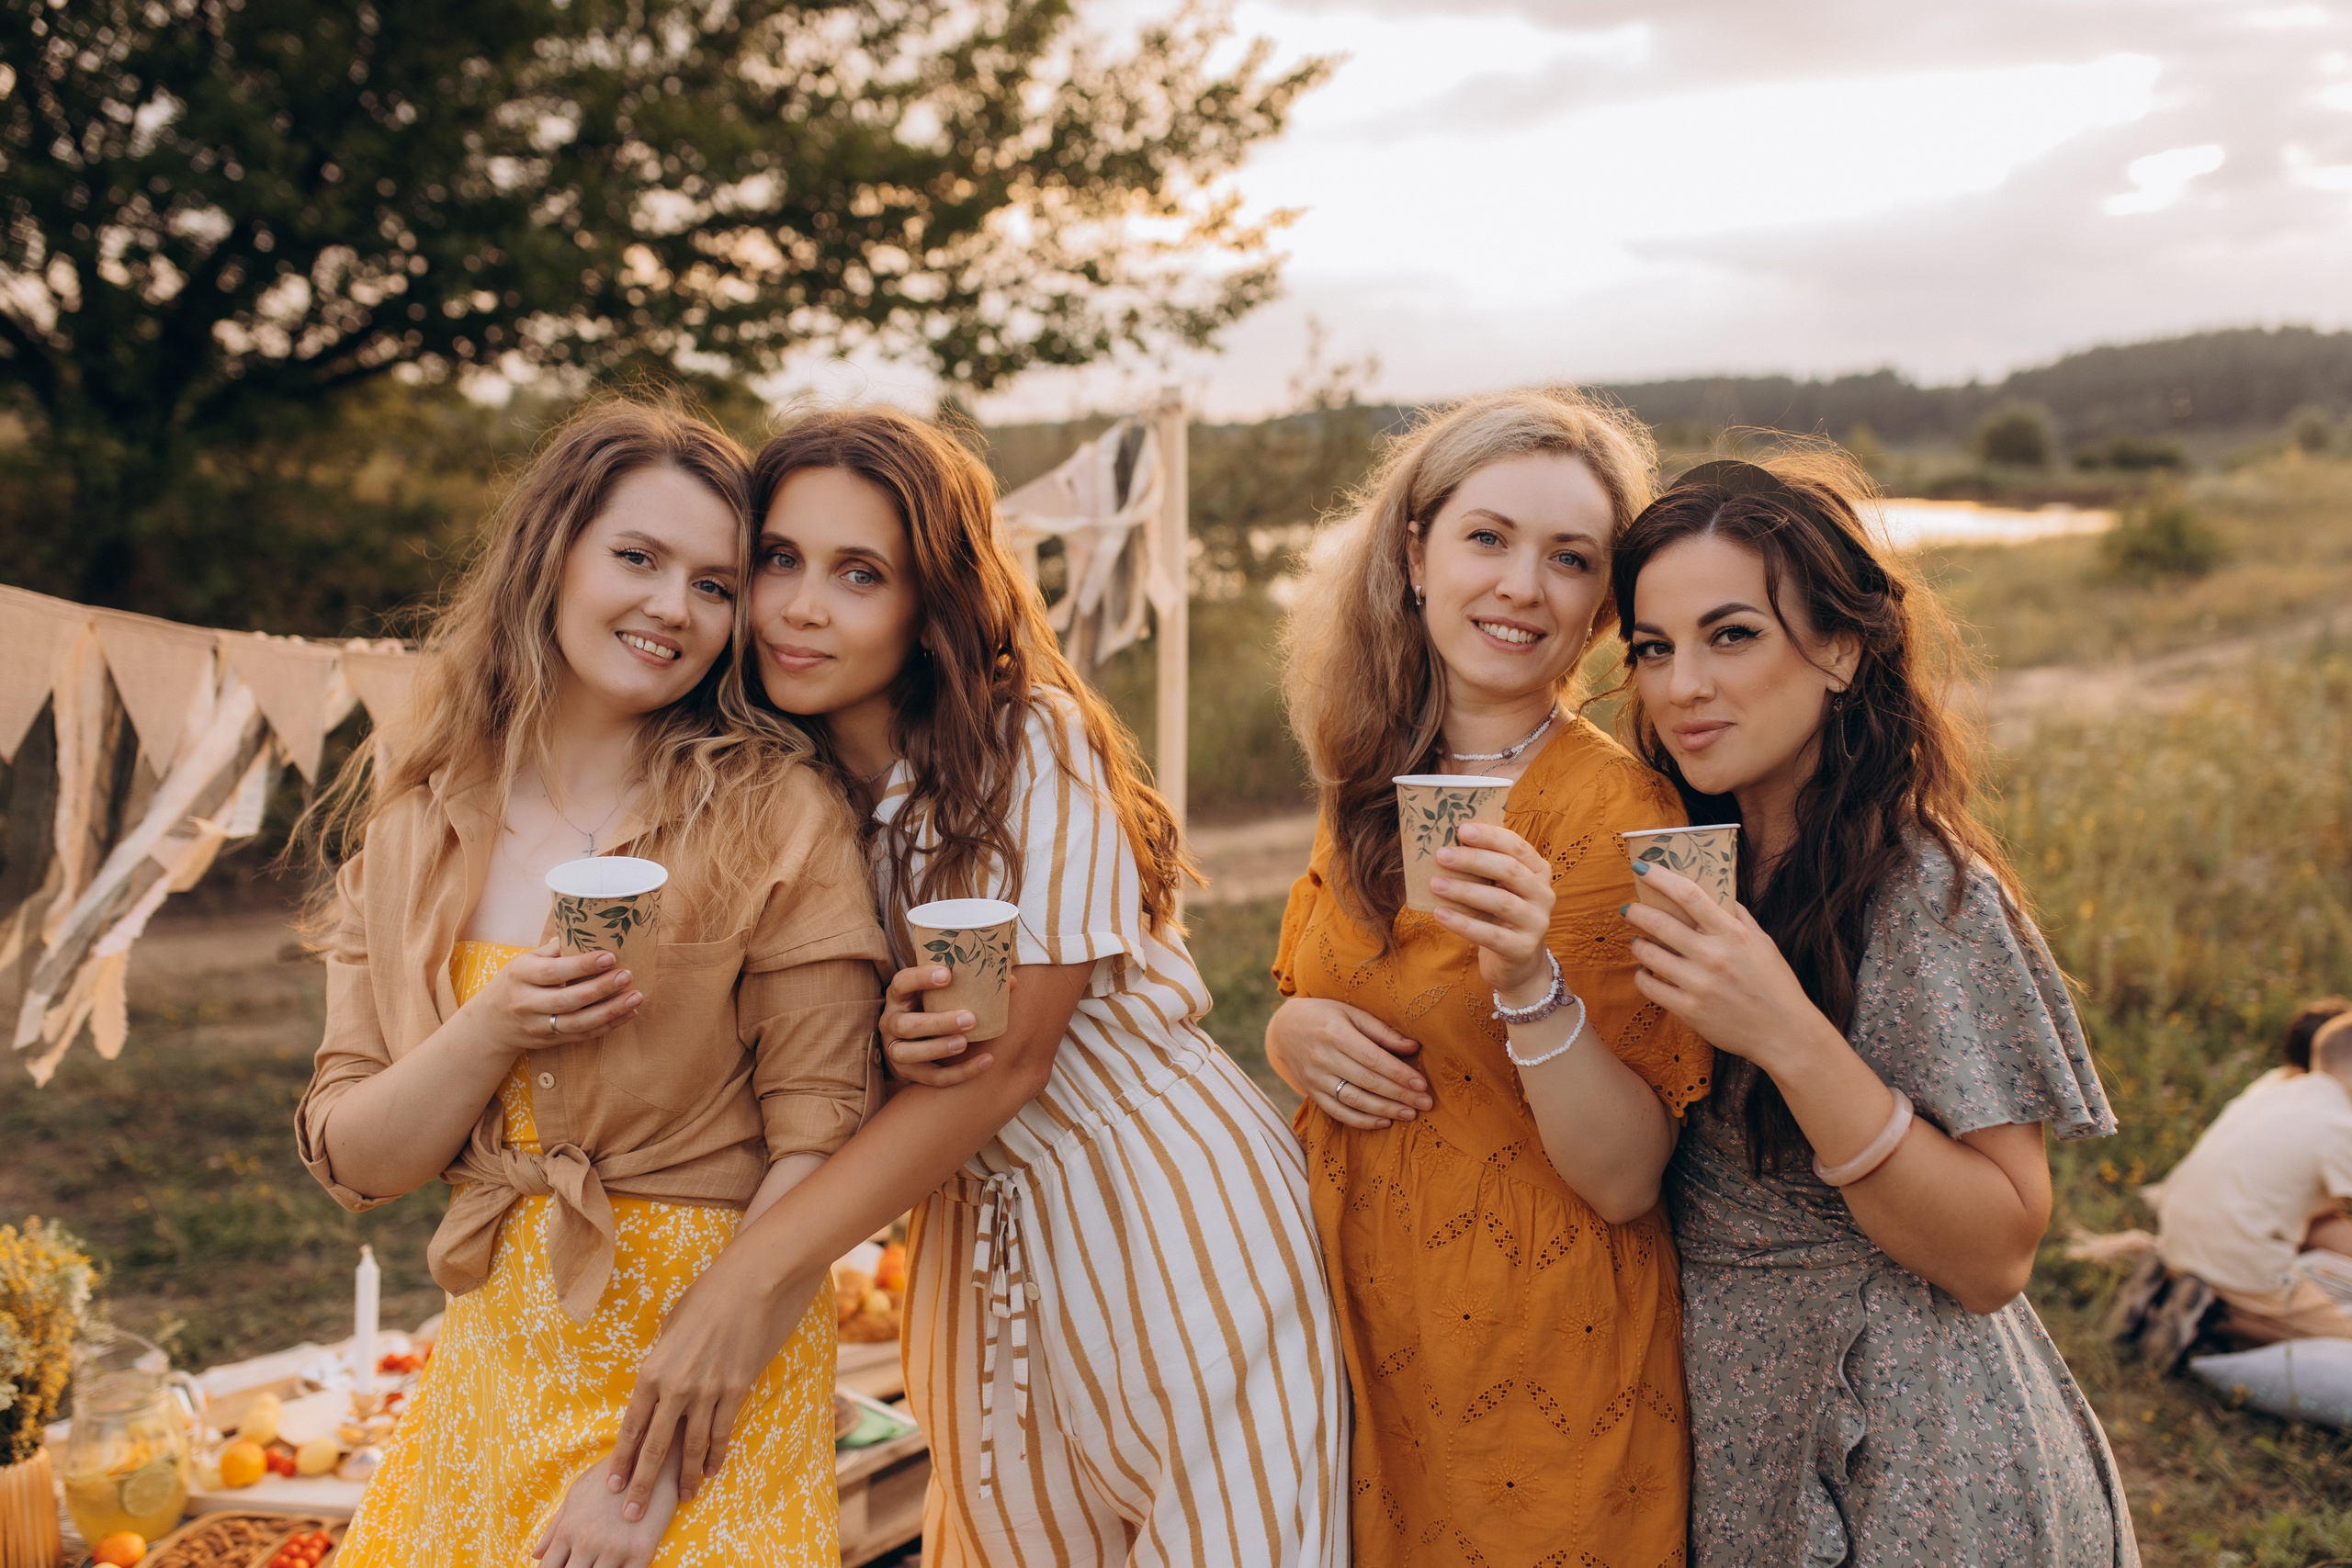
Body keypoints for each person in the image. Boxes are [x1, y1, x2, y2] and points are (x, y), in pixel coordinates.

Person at [582, 406, 1347, 1567]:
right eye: (778, 561)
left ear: (928, 599)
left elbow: (1008, 1066)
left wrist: (749, 1282)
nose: (799, 606)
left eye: (858, 573)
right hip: (969, 1243)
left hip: (1157, 1209)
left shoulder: (1025, 745)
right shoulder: (768, 790)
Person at [295, 400, 890, 1568]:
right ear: (550, 555)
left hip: (714, 1370)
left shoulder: (777, 815)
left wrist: (647, 1477)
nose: (673, 606)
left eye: (715, 584)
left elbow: (819, 1138)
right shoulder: (416, 832)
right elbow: (359, 1159)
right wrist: (492, 1026)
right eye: (637, 557)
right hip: (495, 1362)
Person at [1612, 451, 2138, 1567]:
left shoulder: (1922, 896)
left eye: (1732, 634)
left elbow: (1996, 1251)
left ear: (1842, 650)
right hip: (1722, 1424)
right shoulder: (1684, 865)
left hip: (1902, 1449)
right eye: (1653, 649)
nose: (1682, 686)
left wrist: (1789, 1035)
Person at [1261, 389, 1712, 1566]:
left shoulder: (1622, 817)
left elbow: (1625, 1178)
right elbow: (1317, 984)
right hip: (1352, 1329)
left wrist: (1525, 975)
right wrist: (1292, 1033)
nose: (1521, 585)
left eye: (1570, 559)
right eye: (1487, 538)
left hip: (1531, 1361)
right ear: (1416, 555)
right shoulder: (1370, 771)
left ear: (1602, 607)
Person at [2154, 1010, 2352, 1342]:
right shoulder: (2341, 1124)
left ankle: (2169, 1286)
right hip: (2240, 1266)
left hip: (2174, 1236)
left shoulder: (2274, 1090)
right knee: (2341, 1337)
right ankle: (2212, 1320)